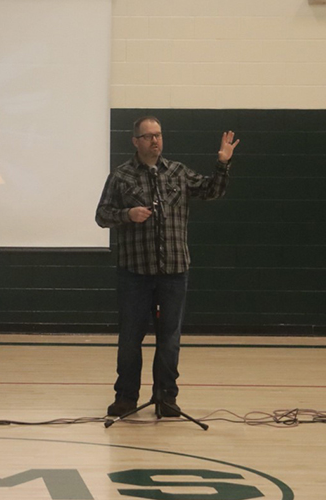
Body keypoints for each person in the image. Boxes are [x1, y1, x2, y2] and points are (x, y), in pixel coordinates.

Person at [95, 116, 240, 417]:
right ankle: (126, 398)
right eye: (148, 136)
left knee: (170, 339)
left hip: (174, 272)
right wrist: (127, 214)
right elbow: (102, 215)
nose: (155, 141)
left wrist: (222, 163)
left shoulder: (177, 172)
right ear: (135, 141)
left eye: (158, 135)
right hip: (135, 273)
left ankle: (165, 397)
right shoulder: (121, 176)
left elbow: (212, 191)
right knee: (130, 339)